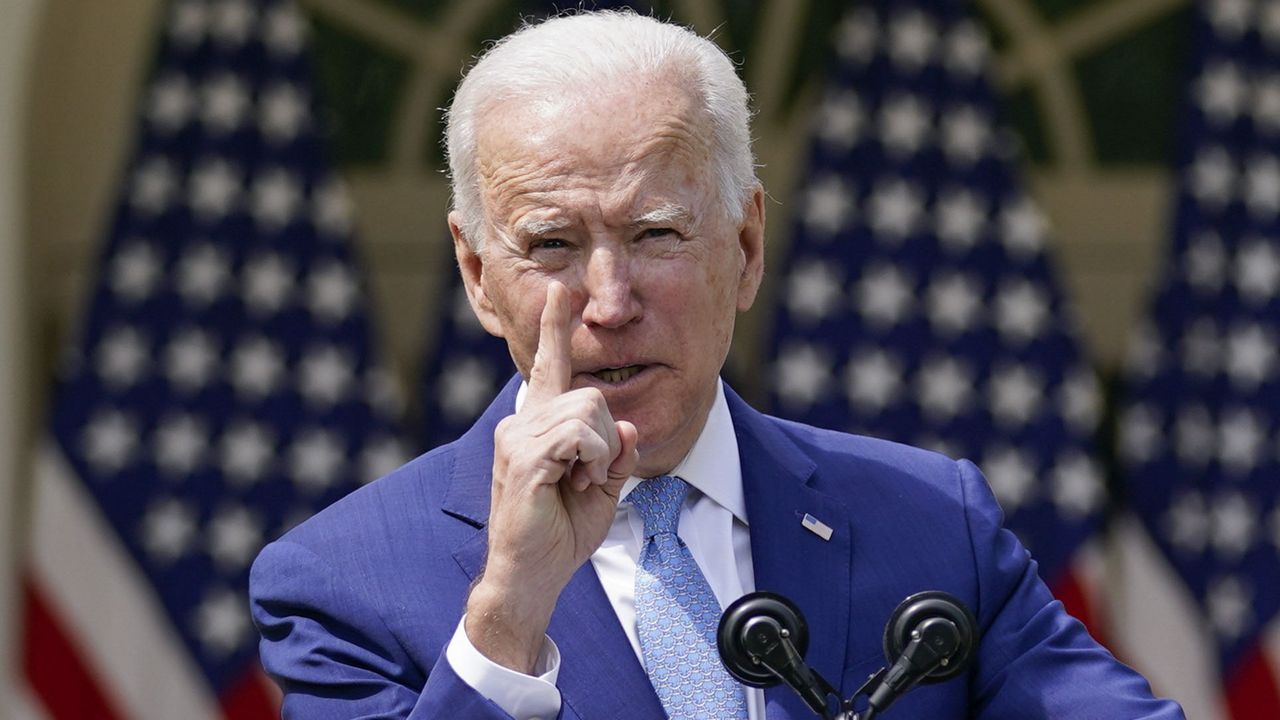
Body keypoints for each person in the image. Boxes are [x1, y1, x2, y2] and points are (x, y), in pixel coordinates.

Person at [250, 10, 1183, 719]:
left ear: (745, 246)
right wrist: (506, 615)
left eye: (656, 233)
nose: (609, 304)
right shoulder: (341, 584)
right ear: (476, 275)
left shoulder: (934, 523)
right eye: (553, 246)